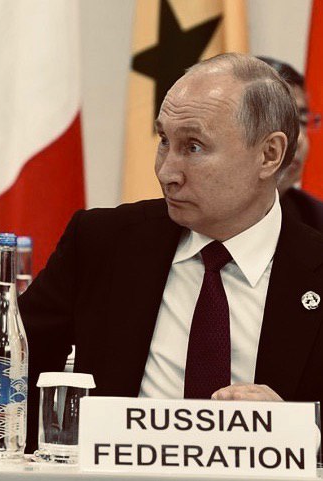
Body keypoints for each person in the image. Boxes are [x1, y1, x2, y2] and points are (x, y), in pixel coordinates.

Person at [19, 53, 323, 450]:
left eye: (193, 147)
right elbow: (11, 370)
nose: (166, 172)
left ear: (269, 154)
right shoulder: (103, 242)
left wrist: (297, 432)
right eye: (164, 141)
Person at [257, 56, 323, 232]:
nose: (298, 138)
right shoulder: (190, 214)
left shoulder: (316, 220)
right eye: (280, 119)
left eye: (303, 121)